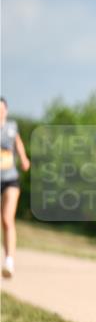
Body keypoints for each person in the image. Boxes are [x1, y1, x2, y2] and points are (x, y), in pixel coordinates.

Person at [1, 97, 30, 279]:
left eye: (2, 109)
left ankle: (9, 261)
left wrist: (24, 158)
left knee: (6, 219)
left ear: (7, 111)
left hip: (10, 179)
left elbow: (18, 143)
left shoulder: (12, 127)